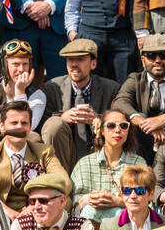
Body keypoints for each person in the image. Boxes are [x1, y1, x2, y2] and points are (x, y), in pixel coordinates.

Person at [40, 37, 121, 173]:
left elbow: (121, 122)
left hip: (98, 150)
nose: (74, 64)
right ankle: (59, 179)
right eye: (70, 60)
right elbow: (41, 125)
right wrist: (62, 117)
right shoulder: (52, 87)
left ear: (93, 64)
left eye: (80, 59)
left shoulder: (111, 88)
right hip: (65, 151)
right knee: (54, 124)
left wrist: (97, 120)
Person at [0, 99, 65, 218]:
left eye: (24, 123)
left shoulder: (45, 152)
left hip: (37, 214)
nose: (20, 127)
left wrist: (35, 206)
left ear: (30, 126)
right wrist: (6, 211)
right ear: (2, 126)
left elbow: (63, 181)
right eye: (14, 123)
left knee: (64, 200)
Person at [70, 108, 146, 224]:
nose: (118, 130)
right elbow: (73, 205)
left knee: (120, 214)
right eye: (111, 125)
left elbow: (146, 201)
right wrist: (88, 199)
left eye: (123, 126)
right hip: (90, 227)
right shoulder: (84, 163)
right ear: (102, 131)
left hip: (126, 227)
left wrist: (118, 202)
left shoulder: (138, 163)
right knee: (89, 212)